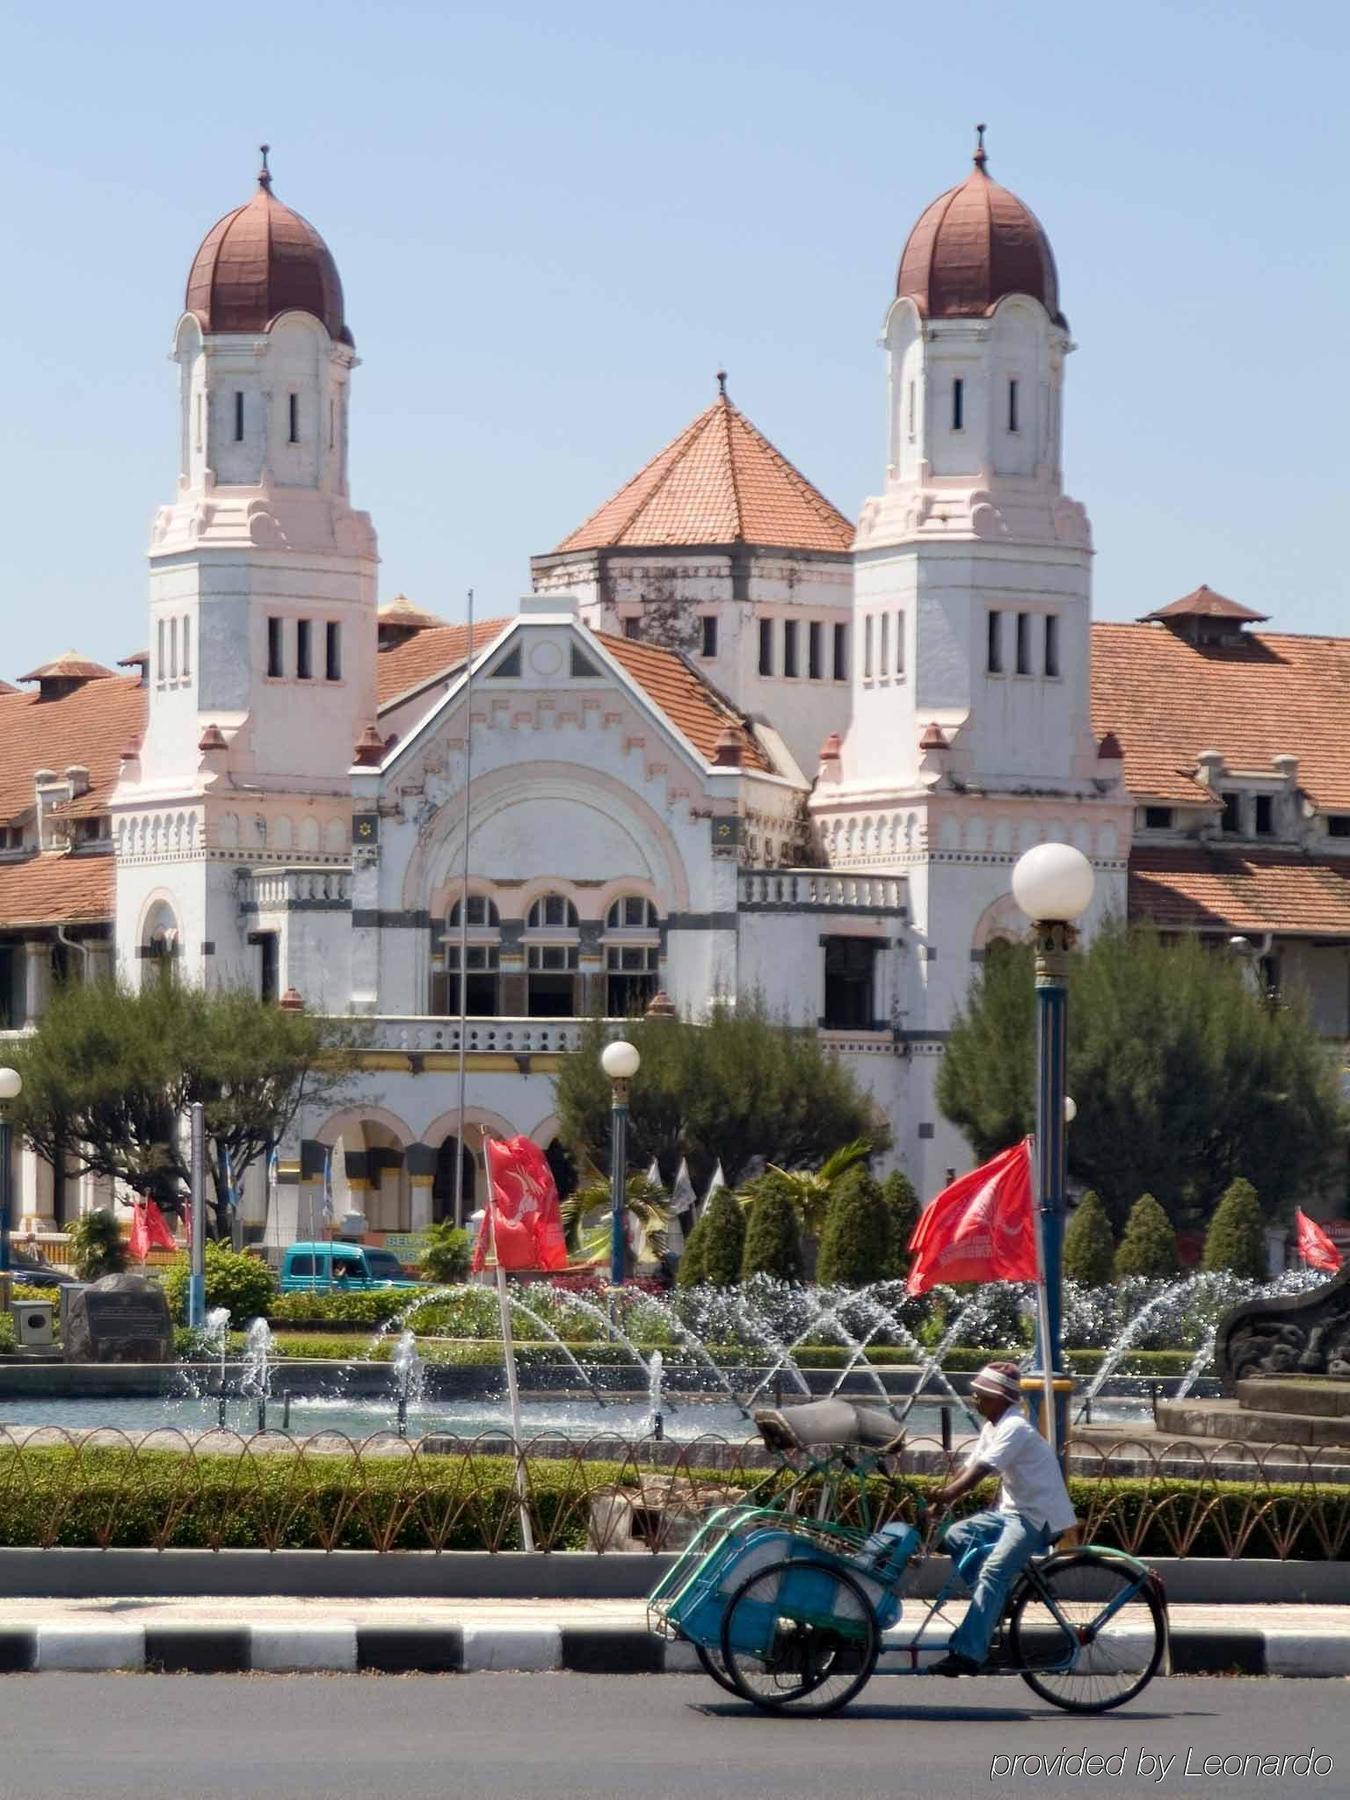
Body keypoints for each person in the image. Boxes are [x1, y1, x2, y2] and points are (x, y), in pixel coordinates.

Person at [926, 1361, 1078, 1677]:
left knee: (994, 1572)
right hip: (1011, 1514)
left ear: (1000, 1398)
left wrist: (947, 1496)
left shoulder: (1015, 1428)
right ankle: (998, 1604)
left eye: (981, 1395)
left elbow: (982, 1471)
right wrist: (941, 1501)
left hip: (1038, 1518)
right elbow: (968, 1469)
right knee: (955, 1536)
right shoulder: (992, 1426)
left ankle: (968, 1653)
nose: (975, 1400)